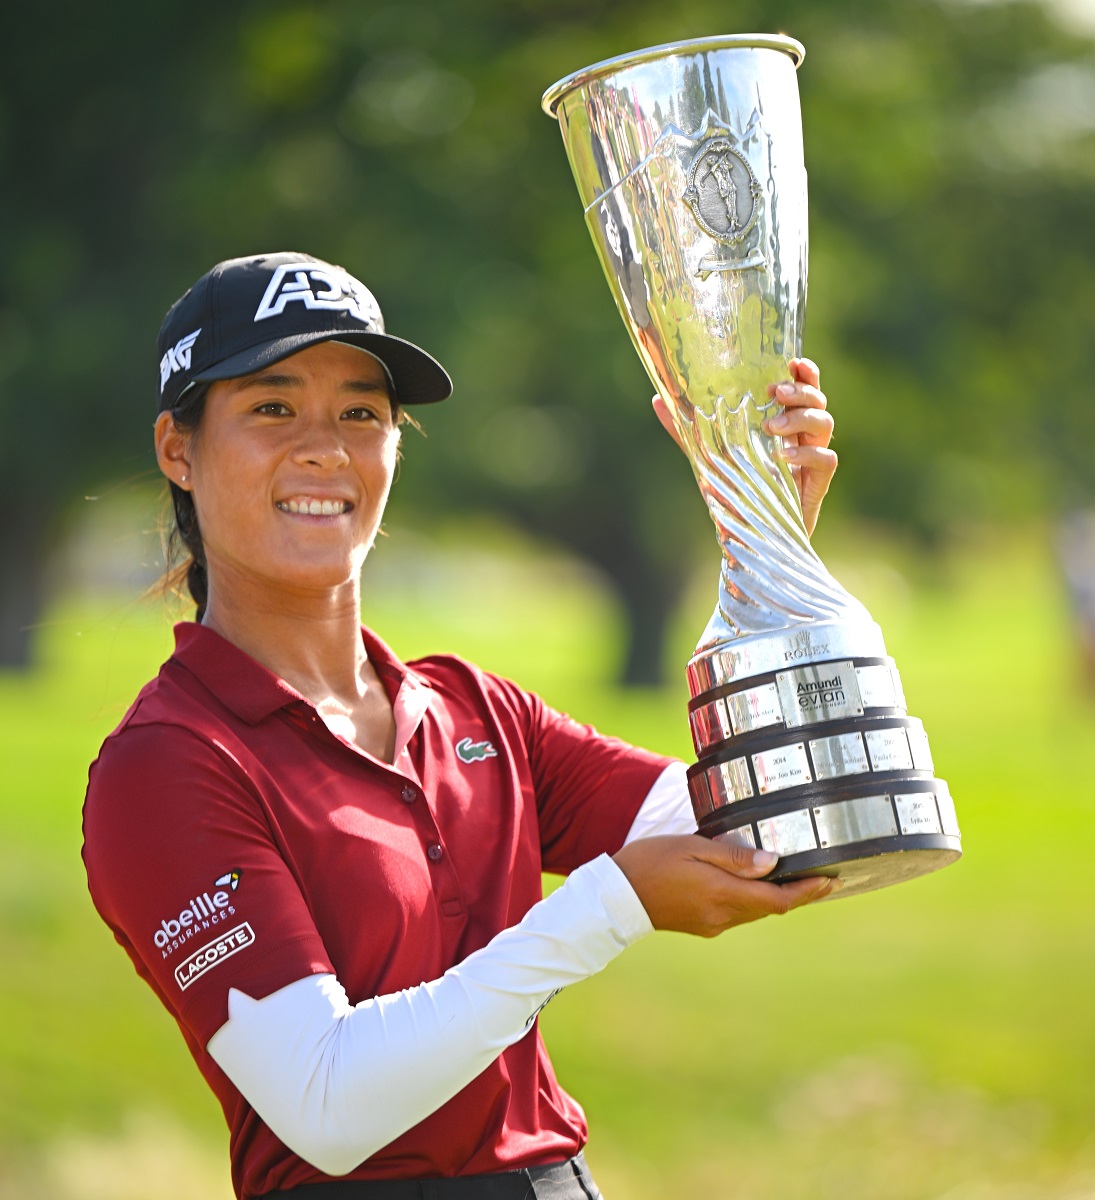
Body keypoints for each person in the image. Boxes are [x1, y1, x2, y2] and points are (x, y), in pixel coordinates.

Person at [82, 251, 842, 1200]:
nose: (326, 448)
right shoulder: (168, 766)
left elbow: (770, 832)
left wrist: (767, 550)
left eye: (362, 412)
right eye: (272, 408)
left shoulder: (472, 709)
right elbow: (328, 1105)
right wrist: (608, 906)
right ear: (178, 448)